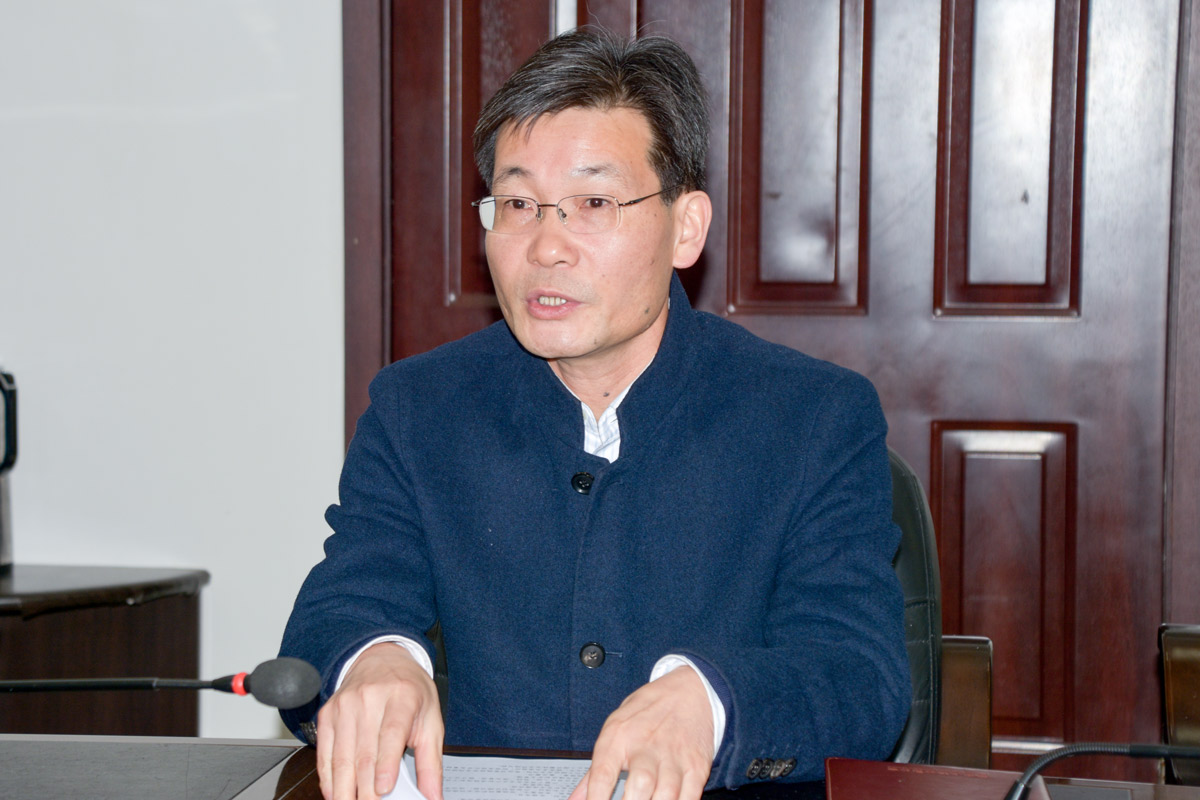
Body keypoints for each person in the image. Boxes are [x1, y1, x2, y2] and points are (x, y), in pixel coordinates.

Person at [280, 27, 909, 800]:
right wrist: (373, 658)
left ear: (686, 228)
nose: (547, 247)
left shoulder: (812, 419)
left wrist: (709, 704)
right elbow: (338, 611)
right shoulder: (420, 410)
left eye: (593, 203)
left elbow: (858, 675)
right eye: (518, 204)